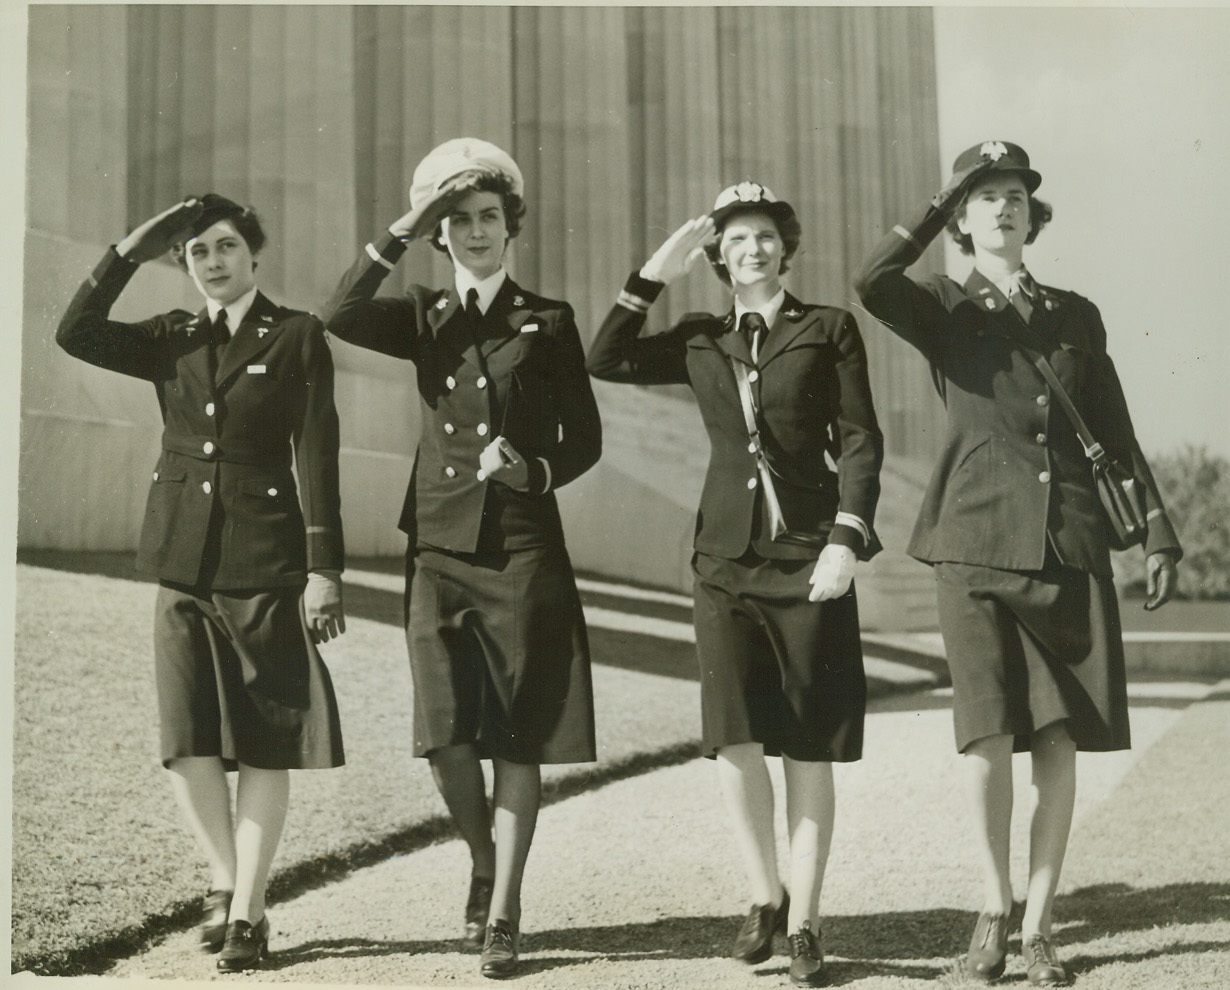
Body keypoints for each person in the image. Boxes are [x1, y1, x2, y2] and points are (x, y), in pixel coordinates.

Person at [853, 141, 1182, 986]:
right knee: (987, 736)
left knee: (1059, 735)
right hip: (970, 542)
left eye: (1014, 195)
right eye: (984, 196)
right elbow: (870, 279)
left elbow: (1113, 427)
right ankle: (994, 906)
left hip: (1067, 543)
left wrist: (1156, 530)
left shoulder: (1076, 313)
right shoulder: (939, 305)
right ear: (961, 219)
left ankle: (1040, 925)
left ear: (1033, 215)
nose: (1003, 207)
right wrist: (937, 201)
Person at [587, 182, 883, 986]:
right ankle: (765, 896)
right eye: (735, 239)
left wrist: (846, 540)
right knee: (734, 736)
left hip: (807, 558)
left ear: (785, 248)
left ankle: (811, 922)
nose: (751, 249)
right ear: (715, 255)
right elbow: (604, 357)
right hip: (723, 560)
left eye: (764, 235)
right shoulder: (699, 338)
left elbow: (860, 440)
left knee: (809, 743)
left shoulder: (827, 329)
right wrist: (652, 273)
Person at [322, 138, 601, 979]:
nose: (476, 233)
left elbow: (583, 439)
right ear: (440, 237)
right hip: (439, 543)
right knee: (444, 736)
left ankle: (505, 909)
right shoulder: (421, 316)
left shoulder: (546, 320)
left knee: (517, 736)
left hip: (520, 546)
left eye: (488, 218)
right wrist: (406, 223)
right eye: (459, 222)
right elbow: (337, 310)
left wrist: (533, 469)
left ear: (509, 227)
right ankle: (481, 857)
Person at [56, 194, 348, 972]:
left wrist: (325, 569)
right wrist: (131, 246)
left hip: (265, 562)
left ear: (254, 254)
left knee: (264, 743)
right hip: (182, 559)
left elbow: (317, 455)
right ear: (184, 266)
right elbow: (74, 331)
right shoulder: (170, 337)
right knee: (186, 741)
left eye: (225, 247)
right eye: (196, 254)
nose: (213, 263)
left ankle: (249, 913)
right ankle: (226, 878)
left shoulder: (295, 335)